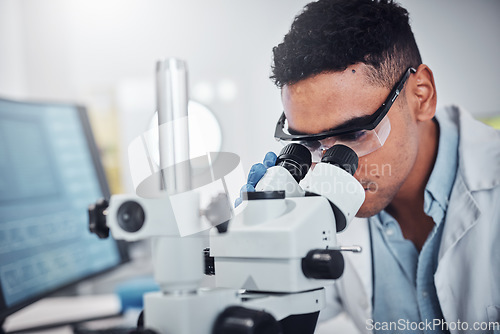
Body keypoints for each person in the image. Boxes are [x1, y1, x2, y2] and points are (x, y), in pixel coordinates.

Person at [239, 0, 500, 333]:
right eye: (309, 143)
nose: (330, 168)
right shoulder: (317, 208)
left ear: (422, 95)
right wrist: (260, 261)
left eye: (354, 133)